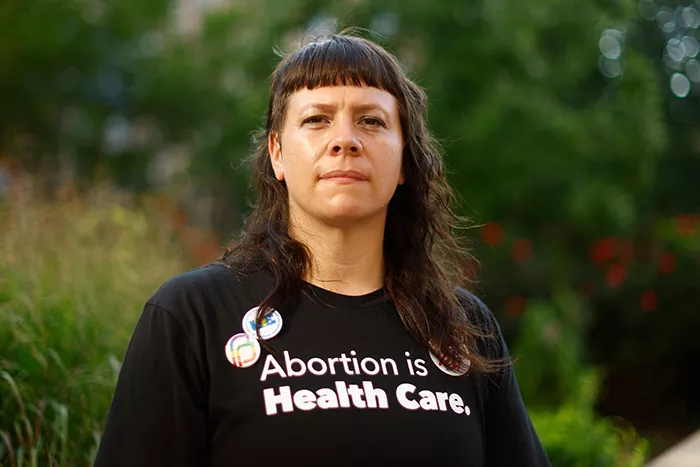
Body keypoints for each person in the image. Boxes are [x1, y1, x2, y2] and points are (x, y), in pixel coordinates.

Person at [94, 32, 550, 467]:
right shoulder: (193, 316)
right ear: (277, 153)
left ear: (404, 161)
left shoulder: (463, 328)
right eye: (316, 119)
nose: (345, 140)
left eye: (371, 121)